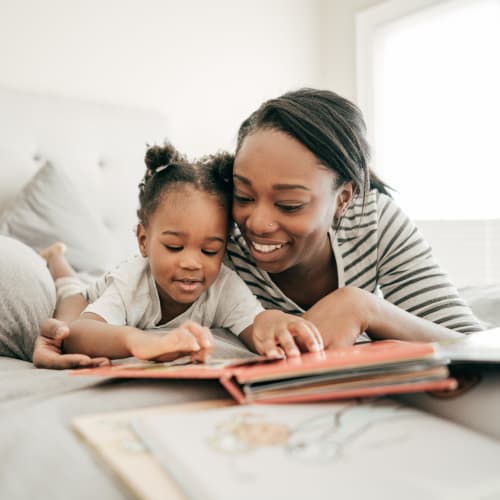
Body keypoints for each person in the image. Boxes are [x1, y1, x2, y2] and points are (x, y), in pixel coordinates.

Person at [34, 88, 482, 368]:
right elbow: (125, 302)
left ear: (344, 198)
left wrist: (365, 307)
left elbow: (476, 346)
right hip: (103, 284)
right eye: (244, 196)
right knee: (76, 286)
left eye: (289, 203)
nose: (257, 223)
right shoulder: (213, 239)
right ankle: (58, 261)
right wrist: (62, 333)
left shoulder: (376, 221)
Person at [33, 142, 322, 368]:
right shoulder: (130, 282)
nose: (192, 263)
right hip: (91, 294)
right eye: (174, 247)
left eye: (210, 250)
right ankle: (56, 258)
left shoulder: (224, 285)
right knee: (68, 307)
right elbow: (81, 333)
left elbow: (254, 322)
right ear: (144, 241)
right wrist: (138, 341)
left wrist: (275, 323)